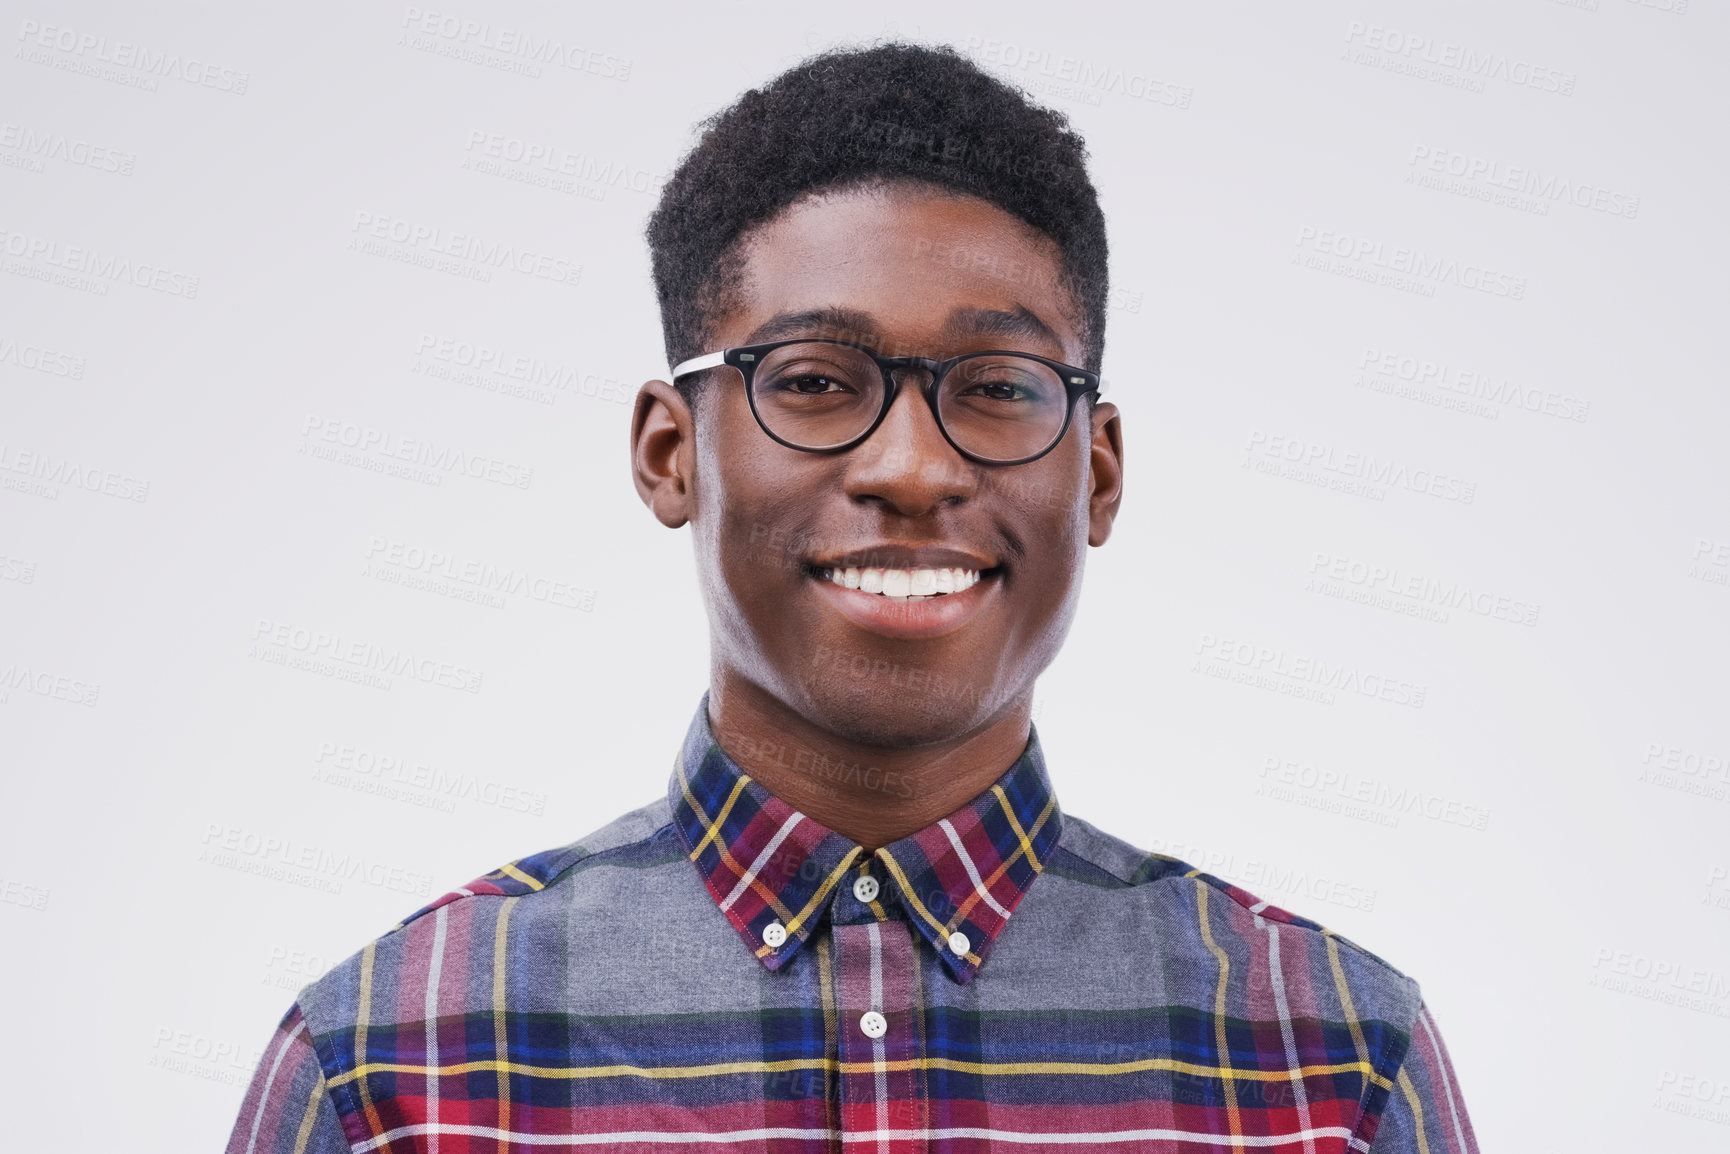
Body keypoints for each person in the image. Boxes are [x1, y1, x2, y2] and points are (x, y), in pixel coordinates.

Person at [226, 42, 1478, 1153]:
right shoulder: (391, 1068)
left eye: (996, 384)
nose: (914, 466)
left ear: (1093, 473)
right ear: (671, 453)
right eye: (817, 380)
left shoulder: (1330, 1066)